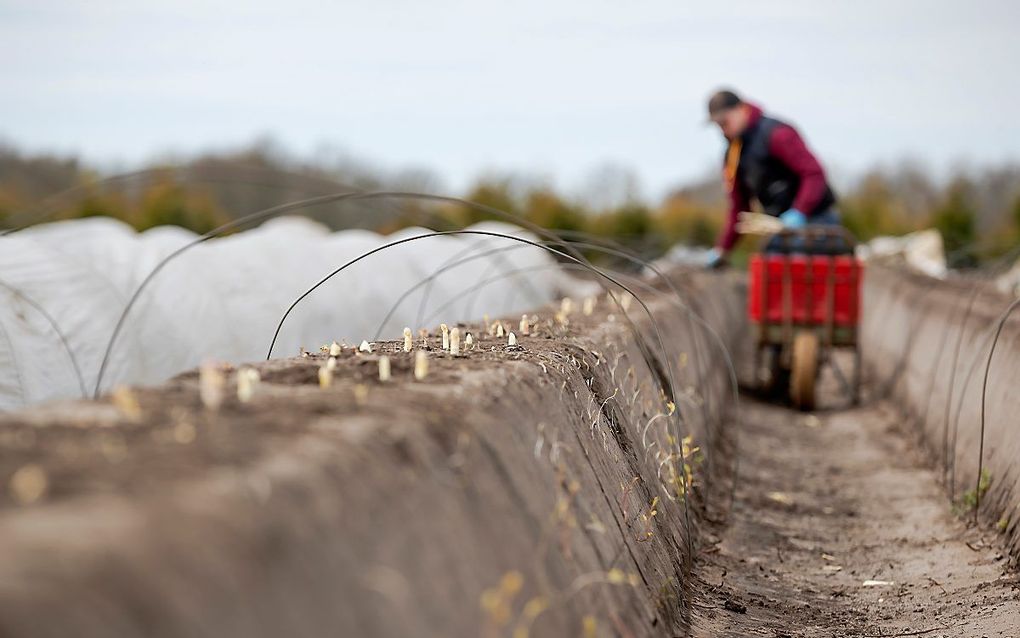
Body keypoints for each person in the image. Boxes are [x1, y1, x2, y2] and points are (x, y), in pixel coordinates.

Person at [703, 89, 840, 268]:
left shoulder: (777, 134)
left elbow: (813, 174)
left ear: (741, 109)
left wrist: (800, 211)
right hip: (779, 229)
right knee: (771, 276)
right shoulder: (733, 156)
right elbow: (739, 208)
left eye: (725, 121)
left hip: (816, 223)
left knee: (799, 274)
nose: (723, 129)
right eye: (718, 125)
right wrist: (723, 249)